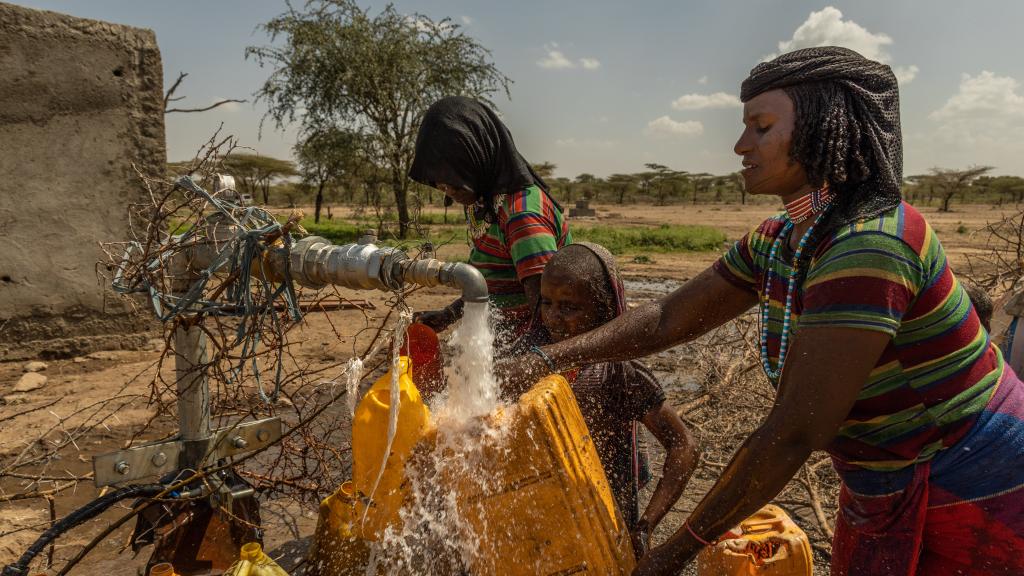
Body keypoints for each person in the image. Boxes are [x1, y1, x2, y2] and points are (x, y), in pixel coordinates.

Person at [502, 47, 1024, 576]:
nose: (739, 145)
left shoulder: (870, 246)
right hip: (883, 474)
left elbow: (795, 431)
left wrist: (670, 553)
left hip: (973, 476)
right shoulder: (779, 238)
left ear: (825, 127)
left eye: (761, 126)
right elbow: (667, 318)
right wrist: (547, 359)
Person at [532, 242, 698, 558]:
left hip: (607, 527)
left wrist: (647, 524)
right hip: (547, 526)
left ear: (606, 309)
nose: (553, 318)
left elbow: (684, 445)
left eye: (569, 307)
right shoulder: (535, 364)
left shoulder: (618, 371)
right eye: (547, 303)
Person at [408, 96, 572, 348]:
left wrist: (521, 363)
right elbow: (495, 285)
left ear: (478, 155)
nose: (443, 186)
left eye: (451, 174)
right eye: (436, 178)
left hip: (542, 345)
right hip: (506, 336)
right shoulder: (483, 202)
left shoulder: (521, 213)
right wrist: (449, 315)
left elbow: (548, 311)